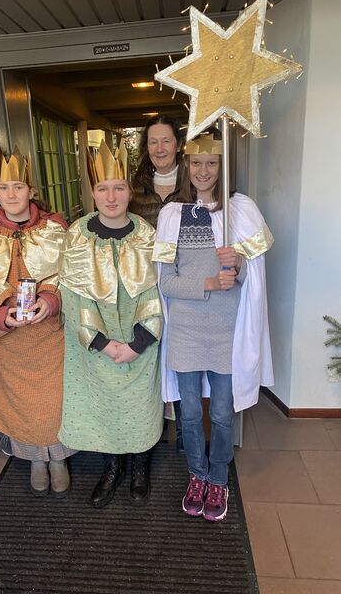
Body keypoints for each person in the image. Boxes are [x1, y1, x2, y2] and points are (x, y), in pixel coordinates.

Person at [154, 128, 274, 521]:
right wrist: (207, 283)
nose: (203, 171)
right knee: (189, 414)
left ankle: (218, 477)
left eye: (211, 163)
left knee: (222, 413)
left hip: (226, 332)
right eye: (196, 163)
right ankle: (197, 474)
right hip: (186, 333)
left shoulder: (240, 210)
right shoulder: (172, 214)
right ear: (186, 165)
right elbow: (166, 282)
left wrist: (239, 265)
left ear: (223, 167)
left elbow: (252, 280)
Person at [58, 140, 164, 508]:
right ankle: (112, 467)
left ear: (130, 191)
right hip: (95, 344)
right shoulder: (77, 235)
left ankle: (140, 466)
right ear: (93, 192)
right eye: (103, 188)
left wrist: (138, 342)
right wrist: (102, 343)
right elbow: (73, 296)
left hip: (140, 341)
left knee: (139, 407)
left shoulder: (146, 235)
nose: (111, 196)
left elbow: (156, 292)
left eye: (119, 187)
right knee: (104, 405)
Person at [0, 147, 74, 497]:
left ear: (31, 191)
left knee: (53, 400)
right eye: (4, 188)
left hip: (50, 335)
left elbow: (72, 277)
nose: (11, 195)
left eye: (18, 187)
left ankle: (58, 459)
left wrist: (51, 300)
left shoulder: (56, 230)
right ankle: (34, 461)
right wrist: (0, 315)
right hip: (8, 339)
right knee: (20, 403)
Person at [130, 114, 186, 452]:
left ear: (178, 145)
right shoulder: (135, 187)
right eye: (153, 142)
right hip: (146, 282)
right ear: (146, 147)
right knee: (150, 348)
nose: (160, 148)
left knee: (180, 351)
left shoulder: (193, 182)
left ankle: (184, 427)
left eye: (166, 140)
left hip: (184, 282)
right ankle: (152, 425)